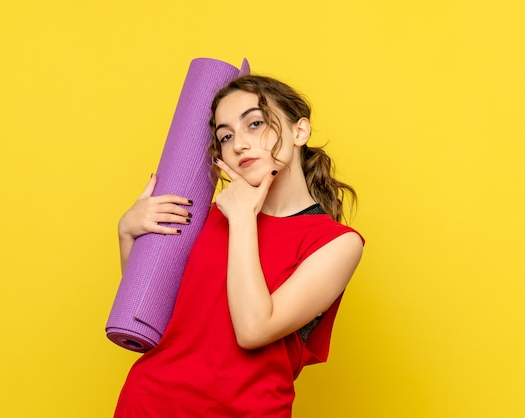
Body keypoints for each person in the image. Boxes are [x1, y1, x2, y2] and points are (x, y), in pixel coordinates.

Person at [114, 75, 364, 417]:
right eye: (226, 136)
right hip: (149, 402)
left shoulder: (337, 243)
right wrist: (128, 234)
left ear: (299, 131)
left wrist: (243, 219)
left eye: (255, 124)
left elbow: (253, 330)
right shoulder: (208, 215)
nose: (239, 144)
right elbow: (152, 316)